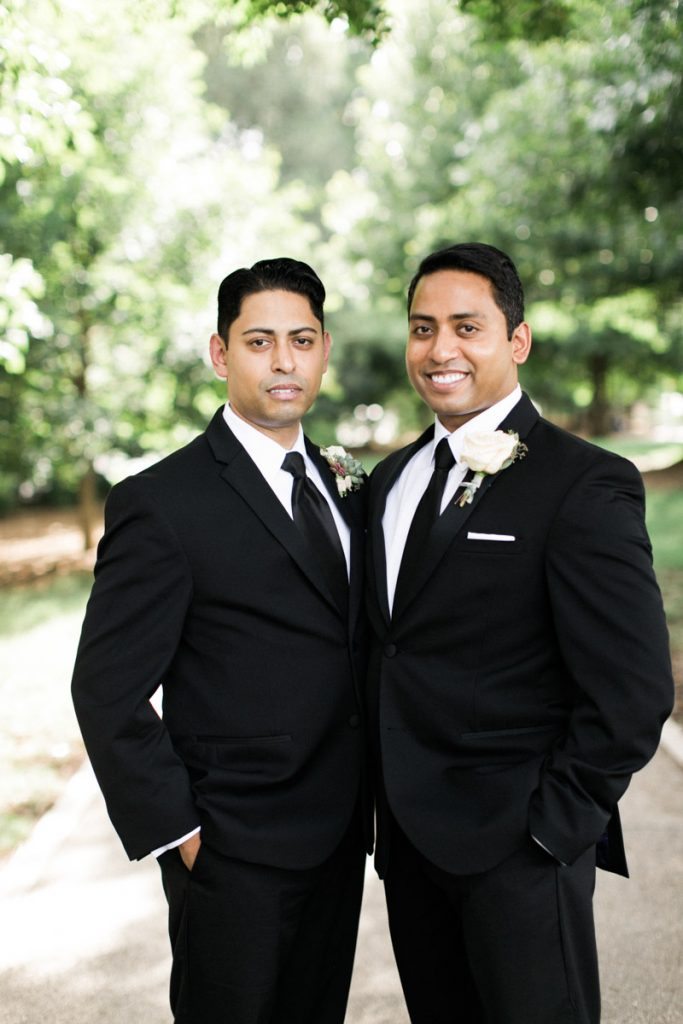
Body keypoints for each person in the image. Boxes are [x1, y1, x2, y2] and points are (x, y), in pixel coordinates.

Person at [365, 242, 674, 1023]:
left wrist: (550, 831)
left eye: (466, 327)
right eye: (423, 328)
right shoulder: (390, 482)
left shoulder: (583, 482)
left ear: (517, 340)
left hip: (519, 851)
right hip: (408, 851)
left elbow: (634, 690)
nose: (440, 349)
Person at [71, 257, 370, 1024]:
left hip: (339, 837)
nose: (283, 361)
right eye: (259, 341)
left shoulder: (344, 482)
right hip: (234, 848)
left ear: (323, 351)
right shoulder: (161, 502)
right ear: (220, 353)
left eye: (301, 340)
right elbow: (105, 689)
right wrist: (183, 834)